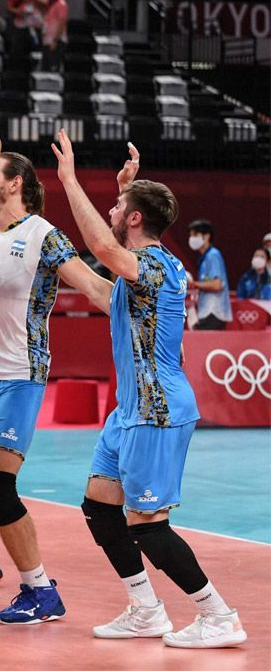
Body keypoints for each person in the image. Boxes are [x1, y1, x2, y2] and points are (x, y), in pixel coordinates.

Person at [52, 129, 247, 649]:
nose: (111, 210)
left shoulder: (155, 266)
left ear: (135, 219)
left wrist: (69, 179)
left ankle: (218, 615)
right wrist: (53, 252)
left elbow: (101, 246)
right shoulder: (140, 274)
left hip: (156, 410)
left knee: (146, 523)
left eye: (118, 206)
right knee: (99, 506)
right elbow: (100, 284)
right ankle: (145, 609)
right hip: (129, 412)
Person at [0, 150, 115, 624]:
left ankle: (41, 591)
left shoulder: (42, 235)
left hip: (19, 377)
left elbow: (95, 288)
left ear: (15, 182)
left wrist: (152, 325)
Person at [187, 219, 232, 330]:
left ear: (206, 236)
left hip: (214, 312)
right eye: (191, 235)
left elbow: (217, 285)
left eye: (195, 235)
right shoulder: (205, 258)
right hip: (207, 311)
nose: (192, 238)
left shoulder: (213, 256)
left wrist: (194, 284)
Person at [40, 0, 67, 72]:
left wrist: (55, 41)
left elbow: (62, 23)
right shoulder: (49, 4)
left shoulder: (61, 4)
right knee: (45, 68)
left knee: (53, 69)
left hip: (56, 42)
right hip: (47, 41)